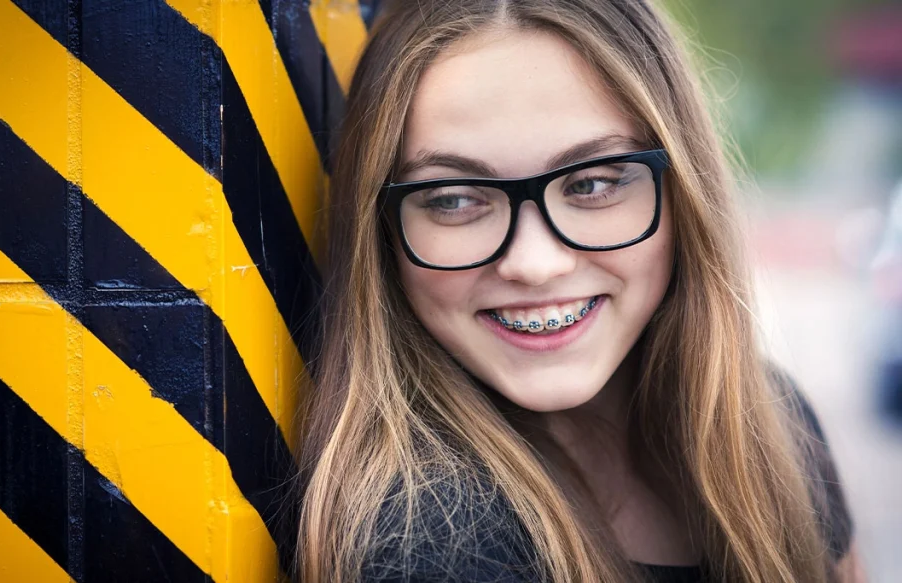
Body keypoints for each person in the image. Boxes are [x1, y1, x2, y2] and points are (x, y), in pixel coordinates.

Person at [294, 0, 861, 581]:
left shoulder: (771, 420)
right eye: (454, 199)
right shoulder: (431, 547)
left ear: (683, 194)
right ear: (381, 232)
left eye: (592, 183)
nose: (535, 265)